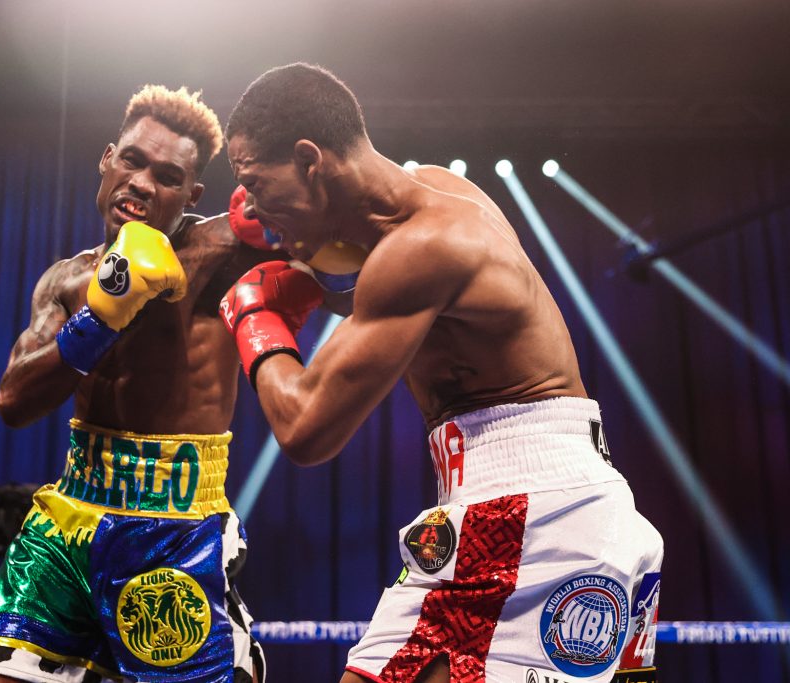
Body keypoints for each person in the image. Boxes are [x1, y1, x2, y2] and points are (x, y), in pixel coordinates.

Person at [220, 63, 664, 683]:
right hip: (569, 499)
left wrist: (254, 318)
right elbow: (377, 294)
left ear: (309, 160)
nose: (257, 214)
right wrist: (308, 268)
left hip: (525, 514)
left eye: (254, 182)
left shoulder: (421, 250)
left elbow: (304, 429)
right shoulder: (432, 199)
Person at [0, 85, 270, 683]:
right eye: (132, 161)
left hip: (177, 527)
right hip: (69, 518)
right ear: (107, 159)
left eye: (168, 176)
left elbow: (350, 273)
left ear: (191, 194)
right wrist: (101, 318)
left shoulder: (221, 253)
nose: (144, 184)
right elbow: (13, 402)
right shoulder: (67, 279)